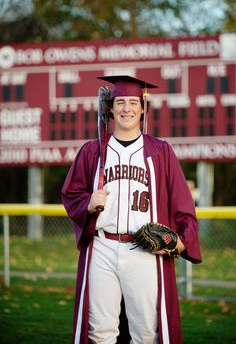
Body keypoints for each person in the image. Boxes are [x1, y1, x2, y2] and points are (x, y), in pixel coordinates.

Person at [61, 75, 202, 344]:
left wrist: (182, 242)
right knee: (99, 332)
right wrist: (89, 203)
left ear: (142, 108)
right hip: (102, 248)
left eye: (133, 102)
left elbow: (183, 203)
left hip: (145, 250)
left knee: (147, 333)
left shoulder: (160, 151)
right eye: (120, 102)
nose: (127, 108)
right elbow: (70, 194)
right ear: (111, 108)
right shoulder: (92, 152)